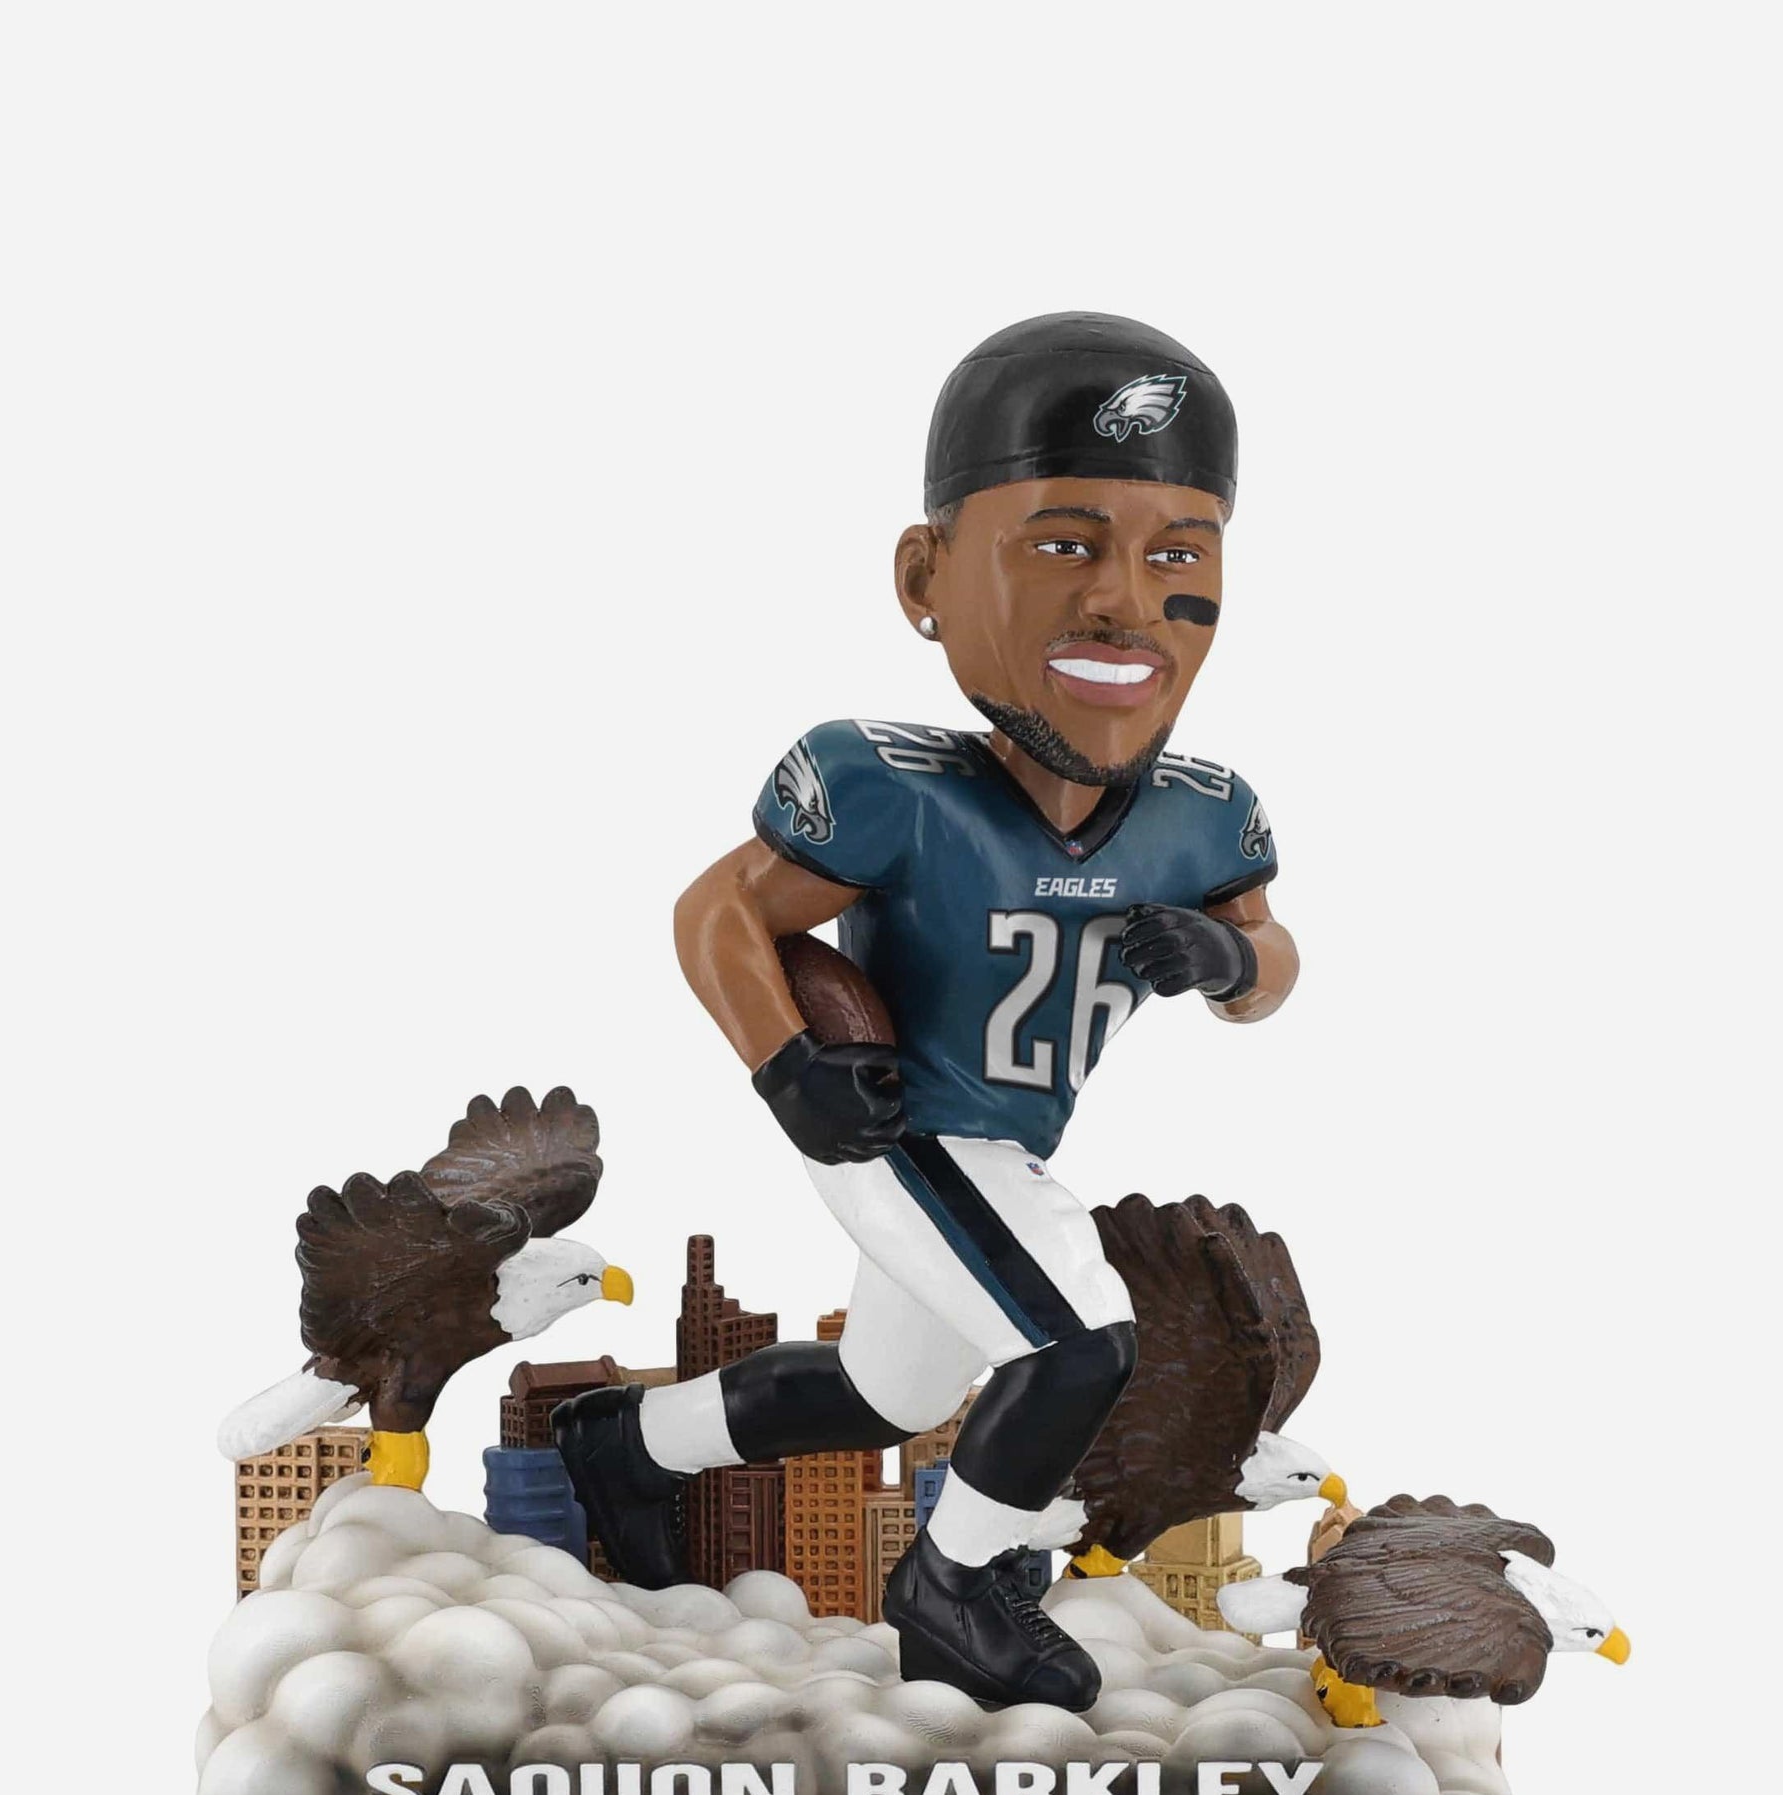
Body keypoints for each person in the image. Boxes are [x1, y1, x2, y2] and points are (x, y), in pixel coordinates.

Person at [556, 312, 1298, 1710]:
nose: (1126, 601)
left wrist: (1228, 962)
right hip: (902, 1123)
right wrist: (792, 1068)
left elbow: (1272, 962)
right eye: (1065, 545)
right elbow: (719, 911)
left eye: (1177, 556)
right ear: (927, 577)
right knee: (1079, 1340)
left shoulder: (1204, 816)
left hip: (1007, 1142)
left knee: (890, 1394)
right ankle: (952, 1587)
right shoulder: (893, 784)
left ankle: (625, 1447)